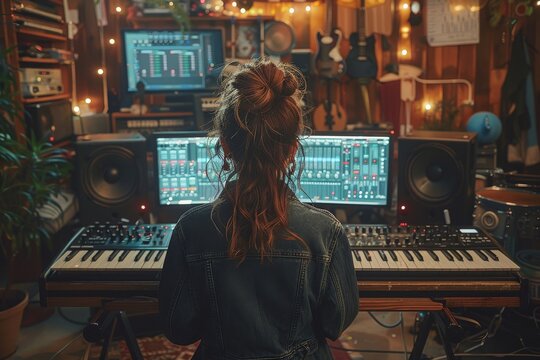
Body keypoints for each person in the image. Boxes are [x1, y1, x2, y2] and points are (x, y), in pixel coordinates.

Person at [159, 58, 359, 359]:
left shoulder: (191, 228)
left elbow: (180, 329)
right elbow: (335, 323)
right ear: (292, 151)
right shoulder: (325, 231)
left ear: (226, 147)